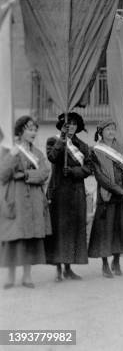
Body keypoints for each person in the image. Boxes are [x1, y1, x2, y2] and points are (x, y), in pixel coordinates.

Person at [0, 117, 51, 288]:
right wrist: (12, 157)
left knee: (30, 237)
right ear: (21, 131)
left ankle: (27, 276)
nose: (33, 133)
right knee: (14, 237)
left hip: (35, 199)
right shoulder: (12, 152)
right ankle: (10, 276)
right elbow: (3, 175)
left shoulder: (38, 153)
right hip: (17, 199)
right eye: (30, 129)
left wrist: (25, 175)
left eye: (35, 129)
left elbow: (44, 173)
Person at [88, 120, 123, 278]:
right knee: (106, 229)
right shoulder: (95, 151)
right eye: (108, 129)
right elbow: (100, 176)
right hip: (108, 195)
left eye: (113, 129)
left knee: (121, 228)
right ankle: (105, 264)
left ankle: (116, 261)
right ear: (101, 132)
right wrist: (118, 190)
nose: (111, 132)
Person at [45, 112, 92, 282]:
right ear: (62, 126)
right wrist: (62, 140)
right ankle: (58, 268)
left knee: (73, 230)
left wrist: (73, 171)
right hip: (59, 192)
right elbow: (52, 157)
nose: (71, 126)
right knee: (60, 230)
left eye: (74, 124)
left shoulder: (83, 146)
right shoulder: (53, 141)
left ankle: (68, 267)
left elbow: (89, 168)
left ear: (78, 127)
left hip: (77, 192)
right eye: (68, 123)